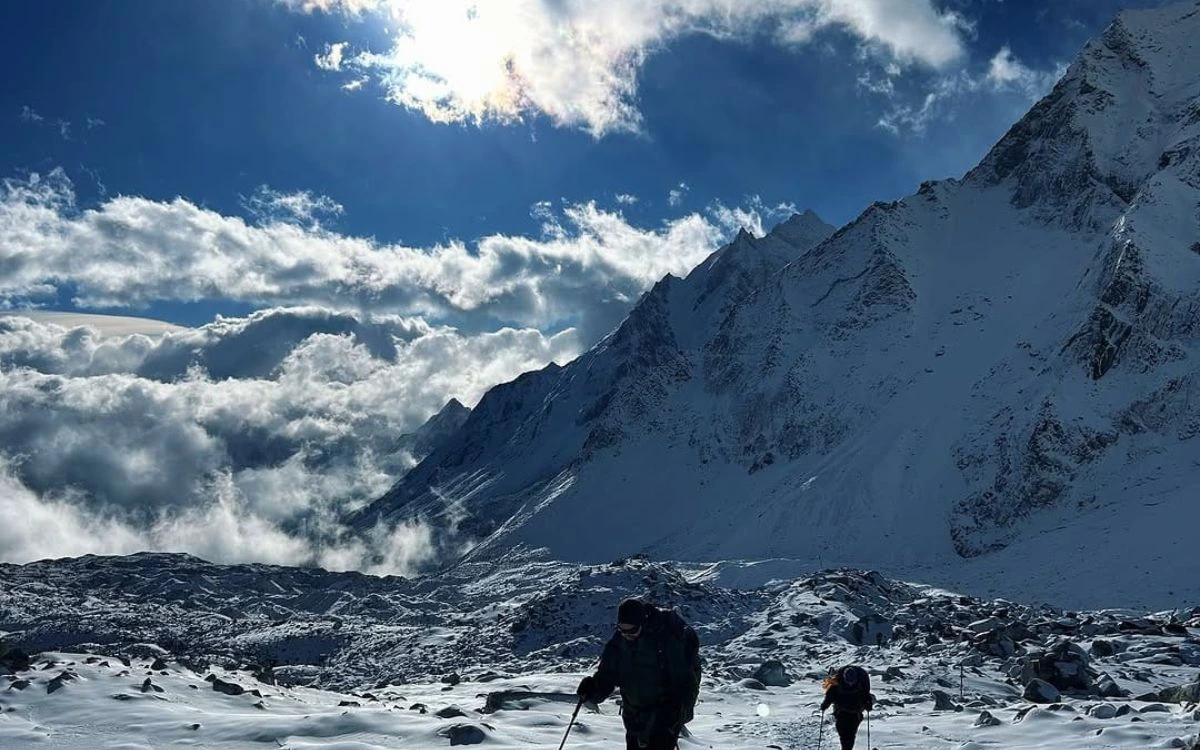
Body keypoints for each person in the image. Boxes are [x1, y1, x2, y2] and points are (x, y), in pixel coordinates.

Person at [577, 597, 701, 750]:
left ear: (642, 623)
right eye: (622, 629)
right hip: (634, 719)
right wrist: (592, 689)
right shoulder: (618, 644)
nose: (627, 634)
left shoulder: (665, 642)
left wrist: (673, 719)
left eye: (632, 630)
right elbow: (607, 675)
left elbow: (686, 684)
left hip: (663, 720)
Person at [820, 665, 874, 750]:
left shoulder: (862, 681)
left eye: (852, 681)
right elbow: (830, 695)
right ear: (844, 678)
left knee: (849, 734)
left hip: (855, 712)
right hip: (841, 711)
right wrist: (825, 705)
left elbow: (866, 695)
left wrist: (868, 704)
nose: (850, 684)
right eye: (848, 681)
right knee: (844, 733)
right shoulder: (837, 682)